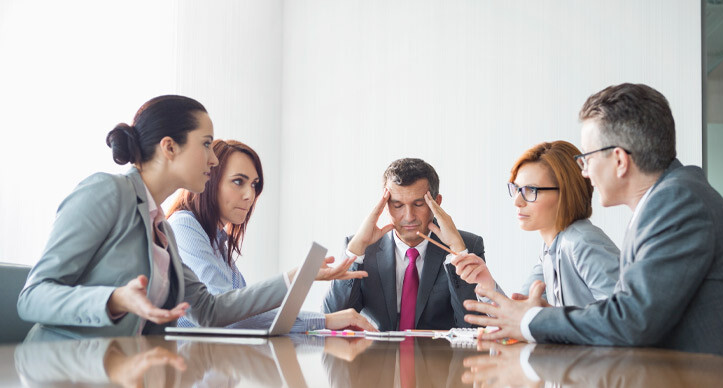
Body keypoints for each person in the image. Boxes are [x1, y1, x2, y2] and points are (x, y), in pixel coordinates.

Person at [17, 95, 364, 342]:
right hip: (63, 367)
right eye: (207, 144)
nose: (214, 160)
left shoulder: (162, 227)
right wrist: (114, 299)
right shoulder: (107, 192)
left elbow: (209, 311)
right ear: (169, 148)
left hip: (126, 368)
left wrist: (296, 278)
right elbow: (32, 296)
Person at [464, 83, 723, 358]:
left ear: (619, 160)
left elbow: (632, 320)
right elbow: (629, 312)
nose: (584, 173)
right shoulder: (666, 200)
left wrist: (535, 320)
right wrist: (547, 317)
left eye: (587, 159)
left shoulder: (677, 203)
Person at [167, 139, 375, 332]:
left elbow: (243, 314)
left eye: (254, 184)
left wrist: (326, 318)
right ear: (208, 180)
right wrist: (323, 317)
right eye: (238, 181)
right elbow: (226, 314)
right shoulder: (183, 225)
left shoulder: (218, 242)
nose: (250, 196)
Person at [322, 158, 485, 331]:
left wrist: (458, 252)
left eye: (419, 204)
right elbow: (331, 322)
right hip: (377, 355)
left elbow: (473, 327)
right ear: (385, 206)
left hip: (439, 355)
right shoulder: (363, 248)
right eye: (398, 205)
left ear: (436, 202)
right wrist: (355, 252)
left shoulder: (468, 246)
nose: (409, 216)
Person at [451, 141, 619, 307]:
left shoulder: (583, 242)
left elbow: (624, 322)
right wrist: (486, 283)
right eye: (516, 188)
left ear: (566, 194)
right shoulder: (550, 248)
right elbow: (518, 314)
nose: (517, 201)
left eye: (531, 190)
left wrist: (553, 319)